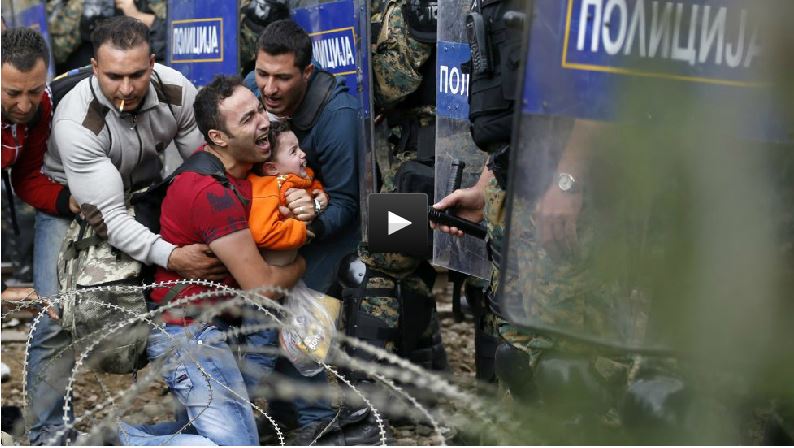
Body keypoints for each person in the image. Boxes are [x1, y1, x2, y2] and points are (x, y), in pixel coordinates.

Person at [28, 16, 220, 445]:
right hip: (75, 202)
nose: (127, 88)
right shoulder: (76, 120)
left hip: (146, 191)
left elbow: (206, 167)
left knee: (185, 300)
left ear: (152, 63)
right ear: (95, 67)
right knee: (56, 316)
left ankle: (203, 419)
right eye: (114, 76)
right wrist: (172, 255)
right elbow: (111, 219)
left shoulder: (176, 90)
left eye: (137, 74)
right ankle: (48, 434)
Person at [119, 75, 306, 446]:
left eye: (259, 110)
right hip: (189, 334)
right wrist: (301, 265)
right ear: (218, 138)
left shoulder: (244, 168)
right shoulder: (210, 193)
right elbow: (262, 289)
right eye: (248, 119)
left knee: (208, 435)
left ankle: (122, 437)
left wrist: (308, 203)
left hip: (218, 326)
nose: (263, 122)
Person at [245, 19, 366, 442]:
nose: (269, 88)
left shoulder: (338, 116)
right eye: (262, 73)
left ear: (307, 72)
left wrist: (305, 227)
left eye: (282, 77)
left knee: (300, 321)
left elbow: (348, 201)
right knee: (262, 307)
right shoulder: (251, 92)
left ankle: (316, 422)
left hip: (326, 227)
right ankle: (284, 417)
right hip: (268, 223)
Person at [1, 27, 80, 298]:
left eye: (33, 91)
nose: (25, 106)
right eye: (12, 93)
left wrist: (67, 201)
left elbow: (27, 176)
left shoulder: (42, 104)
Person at [248, 121, 328, 264]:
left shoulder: (299, 174)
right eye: (293, 151)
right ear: (272, 169)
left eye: (299, 147)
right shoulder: (267, 190)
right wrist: (303, 231)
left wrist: (320, 197)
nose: (303, 154)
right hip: (275, 264)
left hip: (296, 253)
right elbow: (262, 233)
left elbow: (310, 184)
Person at [47, 0, 168, 74]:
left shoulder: (151, 4)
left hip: (133, 75)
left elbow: (171, 46)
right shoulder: (69, 4)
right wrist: (79, 16)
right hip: (80, 74)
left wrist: (137, 15)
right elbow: (53, 54)